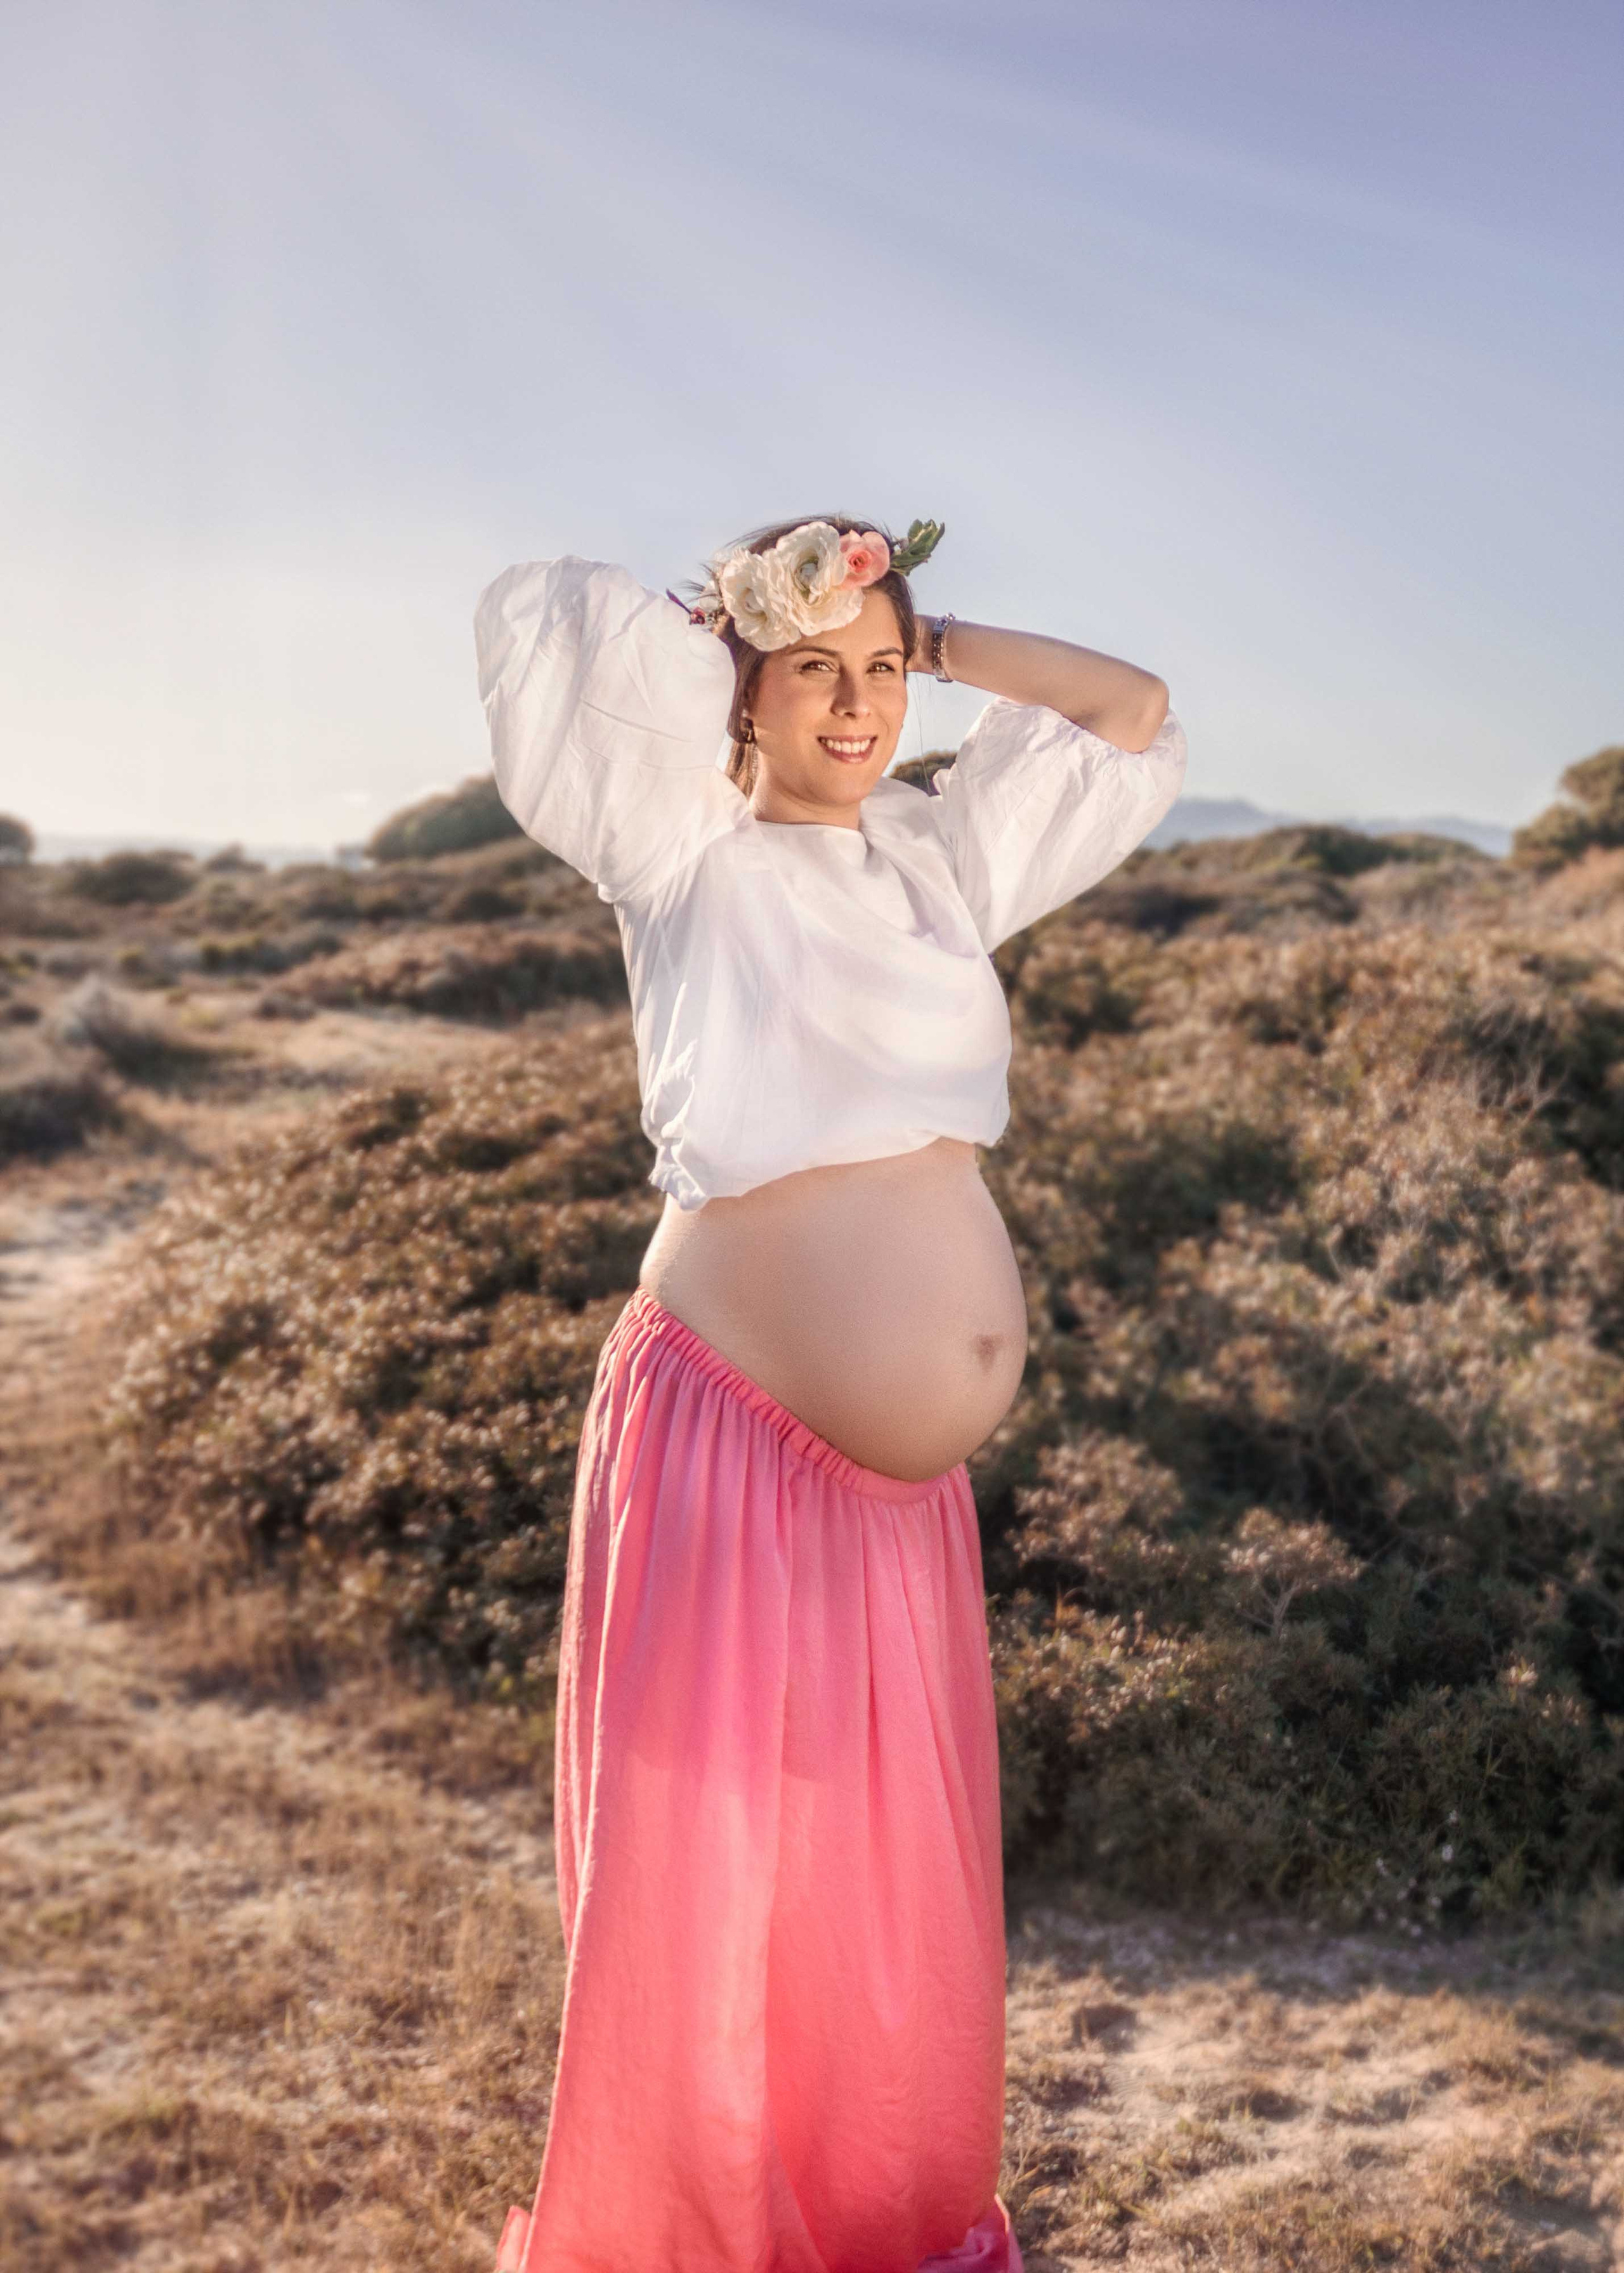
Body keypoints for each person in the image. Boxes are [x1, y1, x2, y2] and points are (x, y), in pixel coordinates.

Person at [477, 515, 1186, 2273]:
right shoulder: (686, 854)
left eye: (880, 675)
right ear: (749, 685)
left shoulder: (940, 863)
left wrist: (917, 635)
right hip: (737, 1421)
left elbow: (1132, 712)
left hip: (895, 1495)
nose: (858, 705)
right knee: (715, 1893)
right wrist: (769, 597)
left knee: (883, 1911)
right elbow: (552, 621)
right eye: (824, 673)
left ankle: (868, 2227)